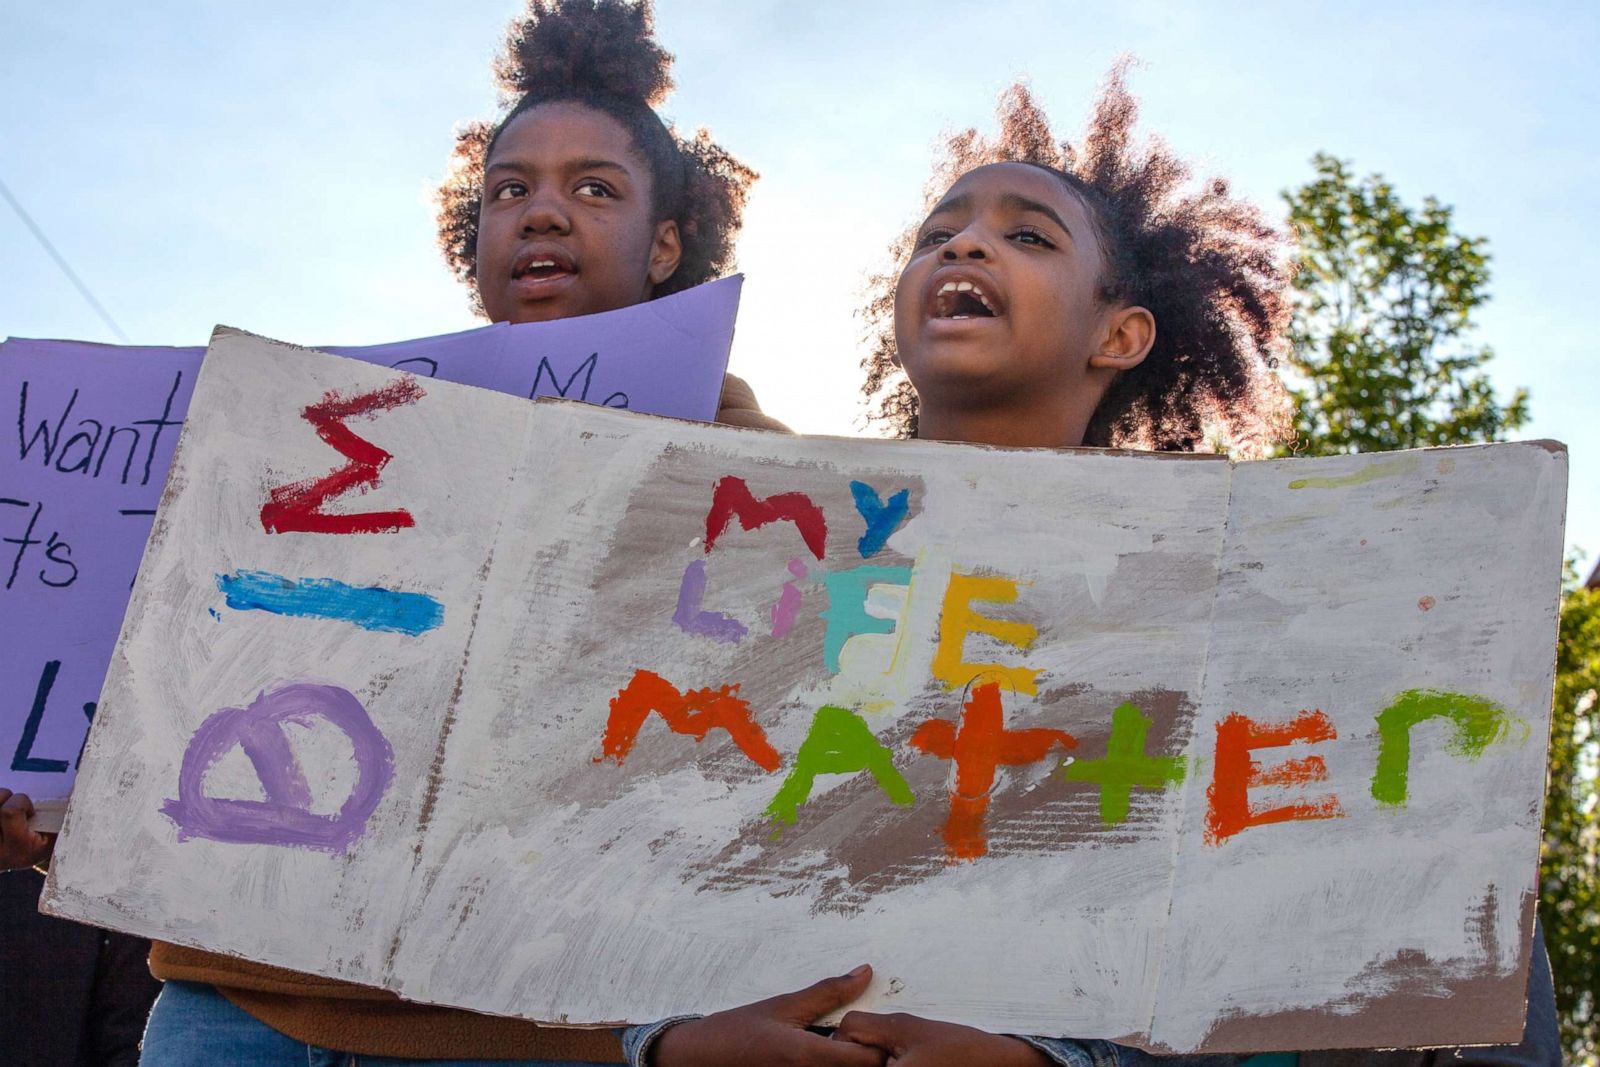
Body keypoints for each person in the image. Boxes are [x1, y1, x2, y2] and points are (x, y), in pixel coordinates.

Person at [637, 69, 1562, 1067]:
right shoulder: (772, 575)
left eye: (1028, 234)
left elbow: (1387, 956)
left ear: (1119, 333)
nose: (963, 244)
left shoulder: (1256, 605)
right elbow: (605, 860)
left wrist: (1060, 1063)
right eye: (934, 235)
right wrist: (664, 1041)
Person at [2, 2, 782, 1064]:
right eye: (511, 191)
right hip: (236, 1008)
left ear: (667, 244)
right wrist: (52, 813)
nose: (543, 214)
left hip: (531, 1027)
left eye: (593, 188)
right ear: (475, 240)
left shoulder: (756, 471)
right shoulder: (302, 431)